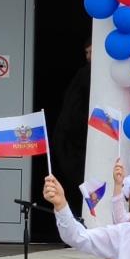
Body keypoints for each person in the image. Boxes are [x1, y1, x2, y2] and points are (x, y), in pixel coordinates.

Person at [55, 42, 93, 220]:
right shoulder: (85, 74)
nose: (89, 56)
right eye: (86, 52)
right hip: (73, 143)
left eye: (92, 52)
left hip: (77, 143)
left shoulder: (89, 74)